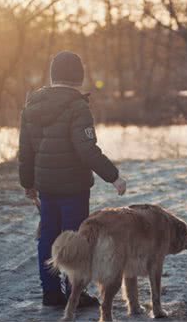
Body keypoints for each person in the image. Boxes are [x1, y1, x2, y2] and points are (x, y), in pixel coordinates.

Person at [18, 51, 127, 307]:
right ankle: (75, 295)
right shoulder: (78, 107)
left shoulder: (31, 105)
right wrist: (114, 177)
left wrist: (28, 184)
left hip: (46, 185)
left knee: (48, 236)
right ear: (78, 76)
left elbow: (25, 151)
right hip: (73, 188)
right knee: (76, 239)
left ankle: (51, 293)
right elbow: (87, 149)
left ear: (53, 74)